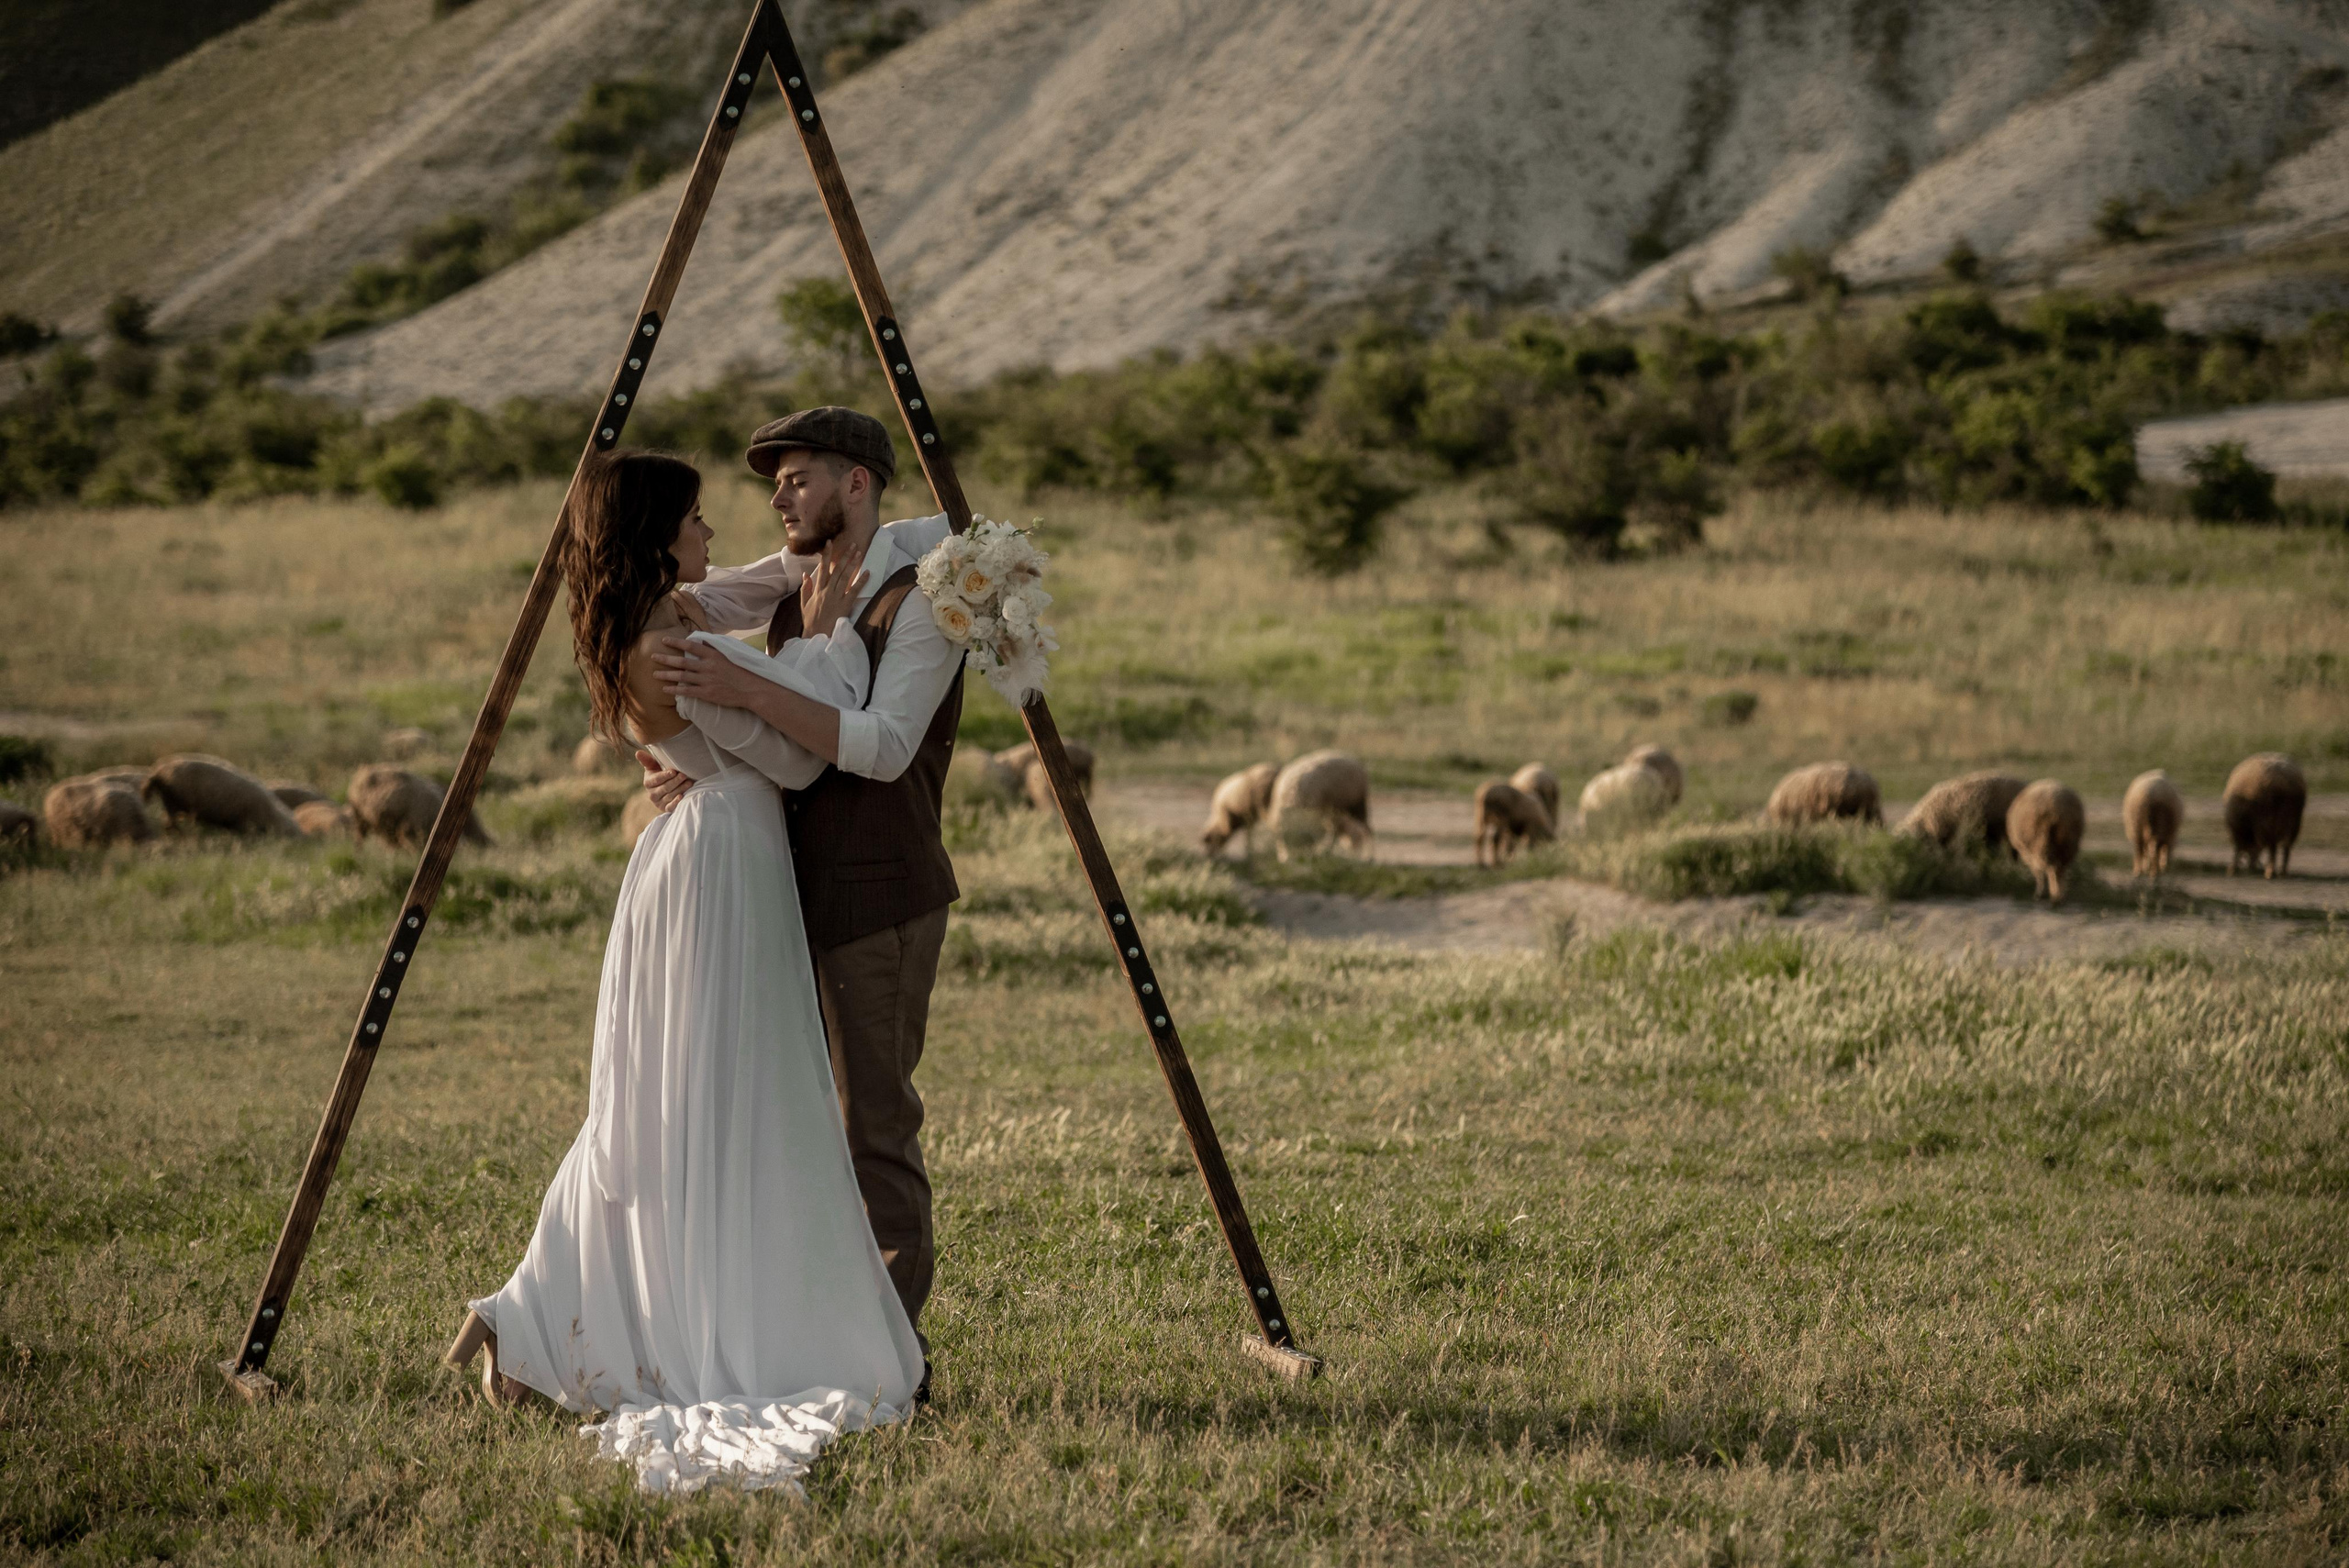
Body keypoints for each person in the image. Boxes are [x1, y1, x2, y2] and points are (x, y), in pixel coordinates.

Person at [444, 448, 926, 1497]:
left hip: (693, 857)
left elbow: (755, 598)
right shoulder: (669, 649)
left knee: (653, 1109)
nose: (715, 535)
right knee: (724, 1105)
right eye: (698, 520)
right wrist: (838, 638)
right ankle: (621, 1315)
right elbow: (802, 757)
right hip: (722, 869)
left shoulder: (662, 619)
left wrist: (880, 557)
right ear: (660, 533)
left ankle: (525, 1308)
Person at [643, 407, 966, 1384]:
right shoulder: (796, 581)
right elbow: (683, 600)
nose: (777, 497)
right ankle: (820, 1339)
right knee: (796, 1124)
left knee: (873, 1121)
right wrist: (681, 756)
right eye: (773, 482)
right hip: (785, 889)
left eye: (796, 479)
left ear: (856, 484)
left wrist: (749, 696)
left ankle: (893, 1360)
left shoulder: (925, 599)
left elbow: (880, 746)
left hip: (880, 893)